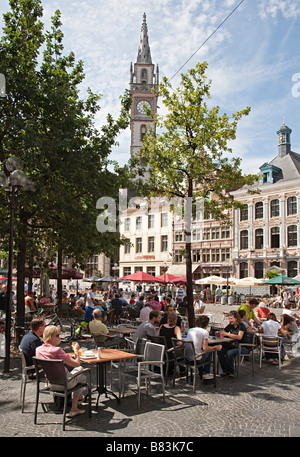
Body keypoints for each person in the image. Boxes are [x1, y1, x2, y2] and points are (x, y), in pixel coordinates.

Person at [36, 325, 87, 417]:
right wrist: (76, 351)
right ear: (51, 337)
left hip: (51, 383)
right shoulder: (57, 350)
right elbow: (77, 364)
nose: (60, 338)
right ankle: (75, 407)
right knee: (81, 372)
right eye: (58, 335)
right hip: (65, 383)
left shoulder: (38, 350)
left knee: (78, 373)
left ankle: (79, 399)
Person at [186, 314, 222, 380]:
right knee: (210, 351)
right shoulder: (205, 332)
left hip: (187, 357)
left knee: (201, 351)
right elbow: (205, 348)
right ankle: (206, 372)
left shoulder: (190, 330)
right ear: (206, 324)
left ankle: (203, 372)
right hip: (196, 358)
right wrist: (215, 348)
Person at [217, 311, 248, 378]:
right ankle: (225, 370)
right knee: (220, 350)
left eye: (231, 319)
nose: (230, 320)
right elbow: (224, 331)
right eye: (229, 319)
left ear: (236, 318)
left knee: (229, 353)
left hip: (241, 346)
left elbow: (239, 337)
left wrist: (227, 334)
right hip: (231, 345)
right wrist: (220, 333)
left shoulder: (241, 326)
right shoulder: (230, 326)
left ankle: (231, 372)